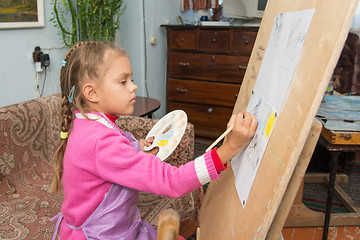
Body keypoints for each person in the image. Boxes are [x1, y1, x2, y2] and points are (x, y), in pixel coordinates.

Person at [51, 41, 257, 240]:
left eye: (131, 79)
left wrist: (136, 149)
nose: (134, 86)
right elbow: (172, 181)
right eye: (123, 82)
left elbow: (107, 165)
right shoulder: (100, 141)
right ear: (92, 92)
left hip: (114, 227)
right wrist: (229, 148)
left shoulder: (88, 124)